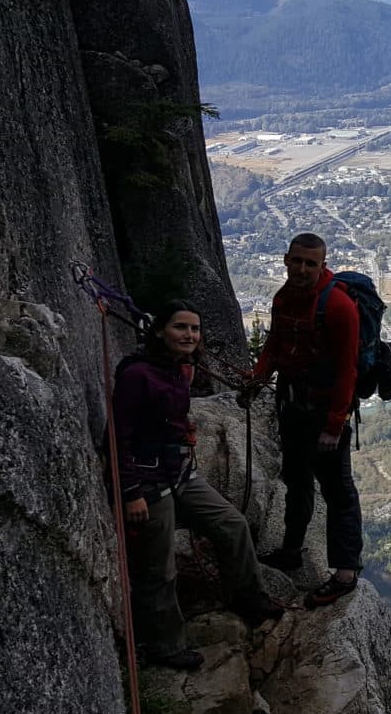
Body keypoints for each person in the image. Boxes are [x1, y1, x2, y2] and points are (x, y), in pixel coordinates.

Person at [119, 301, 286, 671]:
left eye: (194, 329)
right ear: (160, 330)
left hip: (178, 473)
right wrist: (131, 493)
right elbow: (119, 437)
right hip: (149, 481)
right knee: (159, 568)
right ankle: (165, 646)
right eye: (180, 327)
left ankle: (248, 598)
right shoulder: (137, 375)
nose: (189, 335)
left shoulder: (179, 369)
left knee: (232, 524)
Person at [249, 232, 364, 607]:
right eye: (296, 261)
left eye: (310, 263)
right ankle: (291, 550)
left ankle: (345, 573)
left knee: (338, 492)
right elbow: (275, 345)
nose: (301, 269)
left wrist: (334, 426)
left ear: (322, 265)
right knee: (296, 481)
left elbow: (347, 371)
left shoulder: (339, 307)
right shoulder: (284, 297)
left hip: (324, 413)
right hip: (293, 406)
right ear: (286, 259)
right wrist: (257, 379)